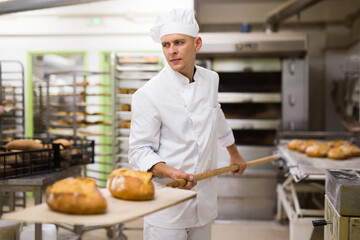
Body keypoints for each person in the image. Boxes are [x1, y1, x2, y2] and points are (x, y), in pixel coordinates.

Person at [128, 8, 247, 240]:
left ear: (197, 43)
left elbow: (217, 116)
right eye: (166, 45)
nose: (171, 51)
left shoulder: (211, 80)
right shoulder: (148, 94)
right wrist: (171, 172)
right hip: (167, 207)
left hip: (203, 202)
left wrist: (234, 154)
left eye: (179, 42)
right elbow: (139, 151)